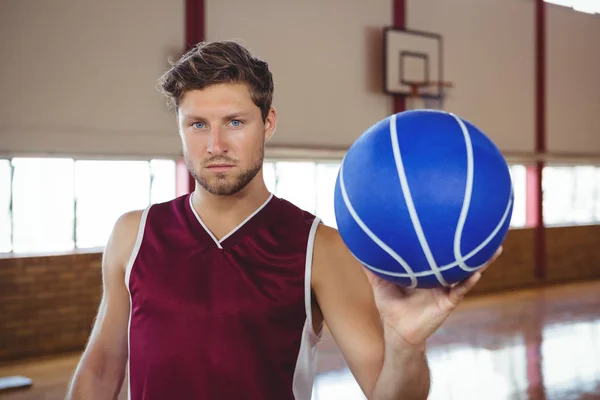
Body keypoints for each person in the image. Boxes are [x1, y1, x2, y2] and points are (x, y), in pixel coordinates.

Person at [66, 40, 501, 400]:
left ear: (268, 123)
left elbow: (388, 395)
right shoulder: (133, 235)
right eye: (198, 125)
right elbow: (101, 371)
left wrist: (407, 343)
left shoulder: (320, 248)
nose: (215, 144)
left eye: (235, 122)